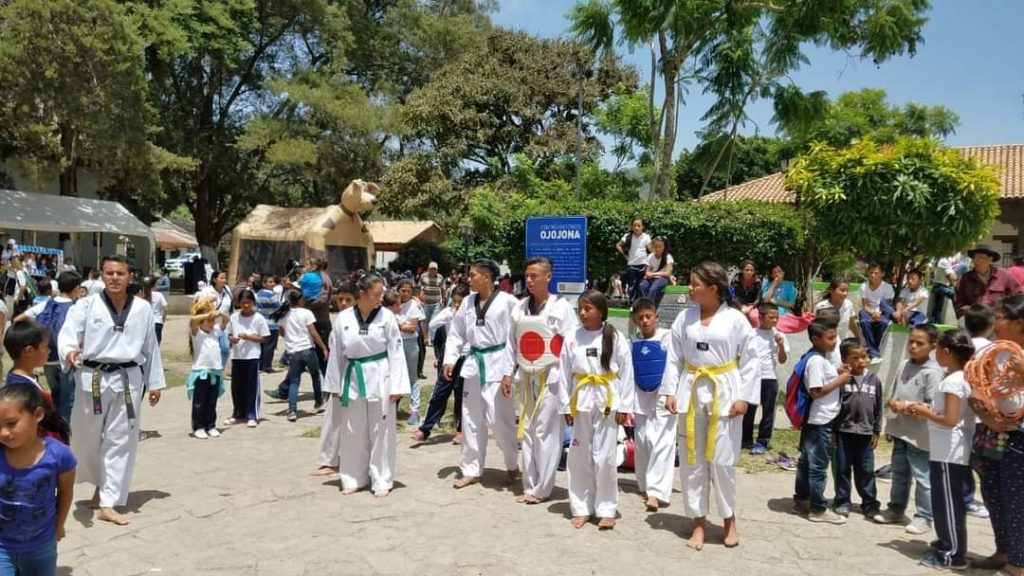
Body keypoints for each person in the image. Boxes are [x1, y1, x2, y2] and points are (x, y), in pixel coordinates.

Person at [58, 254, 164, 526]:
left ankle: (108, 500)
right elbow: (68, 334)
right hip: (92, 377)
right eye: (109, 273)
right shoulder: (86, 305)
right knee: (86, 437)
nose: (114, 278)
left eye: (120, 273)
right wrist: (70, 351)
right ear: (101, 276)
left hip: (128, 379)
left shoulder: (142, 309)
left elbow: (150, 347)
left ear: (130, 276)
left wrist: (154, 383)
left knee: (121, 439)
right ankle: (98, 484)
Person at [661, 261, 759, 549]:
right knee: (692, 460)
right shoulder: (684, 319)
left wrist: (744, 398)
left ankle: (729, 521)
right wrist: (670, 391)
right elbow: (673, 357)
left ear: (713, 289)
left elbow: (751, 359)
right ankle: (698, 524)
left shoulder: (736, 319)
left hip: (724, 391)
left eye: (695, 284)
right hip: (691, 389)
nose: (690, 289)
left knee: (722, 461)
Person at [322, 274, 410, 497]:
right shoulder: (343, 318)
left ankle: (381, 479)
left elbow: (397, 352)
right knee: (352, 430)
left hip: (380, 374)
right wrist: (333, 384)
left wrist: (397, 386)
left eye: (382, 293)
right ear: (362, 294)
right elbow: (336, 355)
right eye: (377, 293)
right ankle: (353, 477)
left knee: (381, 430)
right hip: (352, 376)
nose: (381, 297)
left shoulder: (387, 317)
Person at [501, 257, 578, 505]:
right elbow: (511, 344)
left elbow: (570, 346)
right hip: (526, 374)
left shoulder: (561, 308)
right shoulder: (519, 308)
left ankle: (543, 487)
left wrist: (570, 381)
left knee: (547, 431)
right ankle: (530, 483)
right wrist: (506, 373)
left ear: (548, 277)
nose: (529, 280)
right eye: (527, 275)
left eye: (534, 275)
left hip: (552, 375)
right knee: (529, 429)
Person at [558, 290, 633, 529]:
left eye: (588, 309)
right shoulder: (572, 336)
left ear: (601, 311)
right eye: (580, 308)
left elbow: (627, 373)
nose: (582, 313)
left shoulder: (615, 336)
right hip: (580, 399)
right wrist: (564, 406)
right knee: (579, 455)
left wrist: (625, 405)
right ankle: (581, 507)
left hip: (607, 401)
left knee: (605, 457)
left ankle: (606, 508)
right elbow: (563, 373)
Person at [443, 258, 520, 489]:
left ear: (487, 277)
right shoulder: (467, 302)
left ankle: (512, 464)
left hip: (498, 363)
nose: (469, 279)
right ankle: (471, 469)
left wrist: (510, 370)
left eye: (473, 274)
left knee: (499, 419)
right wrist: (450, 358)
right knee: (470, 418)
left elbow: (515, 337)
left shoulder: (508, 302)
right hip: (474, 364)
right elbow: (457, 333)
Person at [906, 329, 975, 570]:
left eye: (937, 349)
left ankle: (952, 554)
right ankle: (946, 542)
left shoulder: (954, 381)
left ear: (945, 352)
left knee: (948, 504)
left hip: (950, 452)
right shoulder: (957, 377)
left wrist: (924, 412)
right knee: (944, 502)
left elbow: (950, 420)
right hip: (944, 450)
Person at [967, 294, 1024, 574]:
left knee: (1017, 498)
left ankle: (1019, 561)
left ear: (1019, 323)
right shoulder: (992, 352)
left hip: (1020, 435)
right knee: (993, 494)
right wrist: (988, 414)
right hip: (991, 431)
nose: (996, 323)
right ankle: (1003, 551)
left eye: (1002, 318)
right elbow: (974, 391)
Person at [873, 324, 943, 535]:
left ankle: (924, 517)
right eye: (911, 341)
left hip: (920, 435)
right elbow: (895, 394)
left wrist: (906, 408)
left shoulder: (933, 373)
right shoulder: (904, 365)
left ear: (932, 346)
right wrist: (891, 423)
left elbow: (933, 408)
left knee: (923, 477)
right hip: (901, 430)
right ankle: (896, 509)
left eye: (919, 343)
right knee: (900, 474)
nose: (913, 346)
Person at [0, 383, 76, 576]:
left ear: (37, 415)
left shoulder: (59, 455)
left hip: (41, 545)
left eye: (11, 423)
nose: (3, 433)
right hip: (2, 548)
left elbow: (66, 491)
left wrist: (59, 525)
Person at [792, 319, 850, 525]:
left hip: (817, 419)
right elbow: (816, 391)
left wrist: (837, 372)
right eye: (830, 338)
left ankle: (801, 499)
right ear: (816, 339)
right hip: (820, 420)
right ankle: (817, 508)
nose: (834, 342)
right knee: (818, 465)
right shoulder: (816, 361)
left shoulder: (820, 358)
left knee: (806, 461)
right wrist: (840, 381)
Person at [15, 271, 81, 423]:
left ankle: (54, 429)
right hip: (67, 359)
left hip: (46, 358)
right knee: (67, 401)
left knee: (55, 398)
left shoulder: (45, 304)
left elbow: (18, 319)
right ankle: (63, 435)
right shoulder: (76, 308)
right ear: (76, 288)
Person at [629, 297, 675, 511]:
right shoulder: (633, 342)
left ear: (656, 316)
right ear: (635, 320)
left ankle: (657, 492)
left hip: (664, 395)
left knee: (662, 442)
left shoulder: (668, 338)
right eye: (640, 318)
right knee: (643, 441)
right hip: (640, 395)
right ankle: (645, 485)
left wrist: (671, 393)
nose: (645, 321)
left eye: (649, 316)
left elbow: (675, 367)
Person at [411, 284, 470, 444]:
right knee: (440, 394)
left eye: (461, 301)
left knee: (461, 395)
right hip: (450, 358)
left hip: (467, 357)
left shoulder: (472, 313)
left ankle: (461, 430)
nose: (457, 305)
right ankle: (425, 429)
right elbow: (432, 324)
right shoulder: (448, 313)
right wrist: (450, 314)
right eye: (455, 301)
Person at [831, 338, 882, 518]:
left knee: (866, 471)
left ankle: (869, 503)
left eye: (864, 356)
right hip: (844, 432)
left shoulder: (874, 380)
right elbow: (835, 405)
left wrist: (876, 431)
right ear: (845, 360)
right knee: (842, 469)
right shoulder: (842, 380)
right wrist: (833, 431)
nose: (862, 361)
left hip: (866, 434)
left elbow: (878, 407)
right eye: (855, 358)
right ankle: (843, 501)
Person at [311, 281, 358, 477]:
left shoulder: (361, 320)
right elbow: (334, 357)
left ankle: (351, 460)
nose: (344, 303)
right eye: (341, 299)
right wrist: (333, 384)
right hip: (340, 376)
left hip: (358, 376)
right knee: (334, 419)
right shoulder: (338, 321)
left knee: (355, 423)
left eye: (349, 299)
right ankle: (330, 460)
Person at [265, 291, 328, 421]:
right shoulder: (306, 313)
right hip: (307, 349)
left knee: (294, 381)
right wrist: (323, 347)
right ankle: (318, 401)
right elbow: (313, 332)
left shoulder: (284, 315)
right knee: (315, 376)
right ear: (300, 300)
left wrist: (290, 338)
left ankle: (292, 410)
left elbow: (282, 332)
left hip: (293, 351)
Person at [4, 320, 69, 443]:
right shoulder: (21, 389)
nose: (49, 351)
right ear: (29, 351)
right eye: (45, 346)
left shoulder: (26, 378)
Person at [743, 303, 789, 454]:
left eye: (777, 317)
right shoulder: (751, 334)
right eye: (771, 317)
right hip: (752, 377)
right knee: (749, 410)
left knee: (768, 411)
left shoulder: (779, 335)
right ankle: (746, 439)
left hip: (769, 377)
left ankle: (763, 441)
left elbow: (782, 360)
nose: (775, 320)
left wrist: (780, 346)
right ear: (761, 317)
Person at [225, 290, 269, 428]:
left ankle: (252, 414)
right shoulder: (234, 317)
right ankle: (238, 413)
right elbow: (229, 334)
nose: (245, 305)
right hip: (237, 355)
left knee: (251, 386)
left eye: (248, 303)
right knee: (237, 386)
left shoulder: (258, 318)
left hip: (252, 356)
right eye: (243, 303)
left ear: (253, 303)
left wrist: (249, 337)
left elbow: (264, 338)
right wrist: (232, 339)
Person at [187, 300, 225, 439]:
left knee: (212, 401)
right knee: (199, 402)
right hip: (201, 372)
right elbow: (192, 319)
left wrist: (219, 313)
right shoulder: (197, 334)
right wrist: (207, 313)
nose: (211, 323)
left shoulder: (215, 332)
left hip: (215, 371)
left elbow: (225, 320)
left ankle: (211, 425)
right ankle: (198, 426)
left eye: (212, 321)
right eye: (207, 321)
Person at [955, 244, 1022, 316]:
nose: (976, 261)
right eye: (974, 257)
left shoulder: (1004, 275)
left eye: (981, 257)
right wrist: (972, 312)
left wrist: (1008, 311)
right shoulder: (965, 279)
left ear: (990, 260)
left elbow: (1019, 295)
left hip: (998, 320)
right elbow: (959, 303)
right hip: (975, 321)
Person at [396, 279, 425, 425]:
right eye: (403, 290)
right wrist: (403, 325)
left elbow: (413, 327)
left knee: (412, 376)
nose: (405, 293)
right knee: (395, 374)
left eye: (408, 291)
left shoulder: (413, 305)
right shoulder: (393, 302)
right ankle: (393, 405)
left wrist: (397, 324)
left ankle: (414, 410)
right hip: (395, 343)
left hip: (410, 343)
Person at [857, 264, 896, 364]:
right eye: (871, 273)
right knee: (864, 321)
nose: (873, 275)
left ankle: (872, 353)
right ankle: (875, 353)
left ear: (882, 274)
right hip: (868, 311)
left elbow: (886, 306)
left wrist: (878, 314)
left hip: (882, 312)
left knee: (883, 323)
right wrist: (873, 313)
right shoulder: (863, 286)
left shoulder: (888, 288)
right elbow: (865, 306)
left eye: (876, 273)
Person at [615, 217, 651, 302]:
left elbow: (651, 249)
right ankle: (632, 305)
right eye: (634, 226)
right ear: (631, 227)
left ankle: (642, 304)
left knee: (642, 286)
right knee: (631, 286)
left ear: (643, 227)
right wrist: (625, 255)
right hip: (631, 265)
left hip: (643, 264)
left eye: (639, 226)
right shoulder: (627, 236)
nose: (636, 228)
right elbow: (618, 245)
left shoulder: (646, 237)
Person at [256, 274, 282, 374]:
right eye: (270, 282)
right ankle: (267, 366)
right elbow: (278, 307)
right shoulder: (272, 295)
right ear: (264, 283)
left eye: (273, 282)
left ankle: (260, 365)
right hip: (271, 323)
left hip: (261, 323)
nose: (273, 284)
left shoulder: (259, 294)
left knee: (262, 346)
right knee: (270, 346)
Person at [637, 236, 674, 303]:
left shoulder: (668, 257)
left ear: (664, 247)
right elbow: (647, 271)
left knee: (653, 289)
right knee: (642, 286)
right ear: (653, 246)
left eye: (660, 247)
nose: (657, 249)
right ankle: (646, 304)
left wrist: (654, 274)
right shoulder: (650, 256)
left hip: (662, 279)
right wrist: (648, 273)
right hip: (651, 278)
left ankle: (650, 307)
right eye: (655, 246)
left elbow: (667, 273)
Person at [929, 253, 963, 324]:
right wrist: (957, 287)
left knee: (938, 305)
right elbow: (951, 276)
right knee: (954, 295)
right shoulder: (944, 261)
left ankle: (934, 320)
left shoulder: (944, 260)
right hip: (939, 286)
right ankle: (960, 315)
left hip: (940, 286)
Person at [419, 262, 446, 332]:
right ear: (428, 269)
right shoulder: (423, 276)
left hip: (436, 303)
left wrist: (443, 301)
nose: (433, 270)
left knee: (434, 322)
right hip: (426, 303)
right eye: (431, 269)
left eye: (434, 269)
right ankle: (425, 339)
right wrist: (420, 299)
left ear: (437, 270)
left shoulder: (440, 277)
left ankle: (432, 340)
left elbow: (442, 289)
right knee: (425, 321)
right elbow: (420, 288)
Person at [140, 277, 168, 344]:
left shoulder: (141, 295)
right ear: (154, 285)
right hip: (157, 321)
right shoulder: (159, 295)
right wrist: (163, 318)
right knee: (156, 343)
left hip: (145, 322)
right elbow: (165, 307)